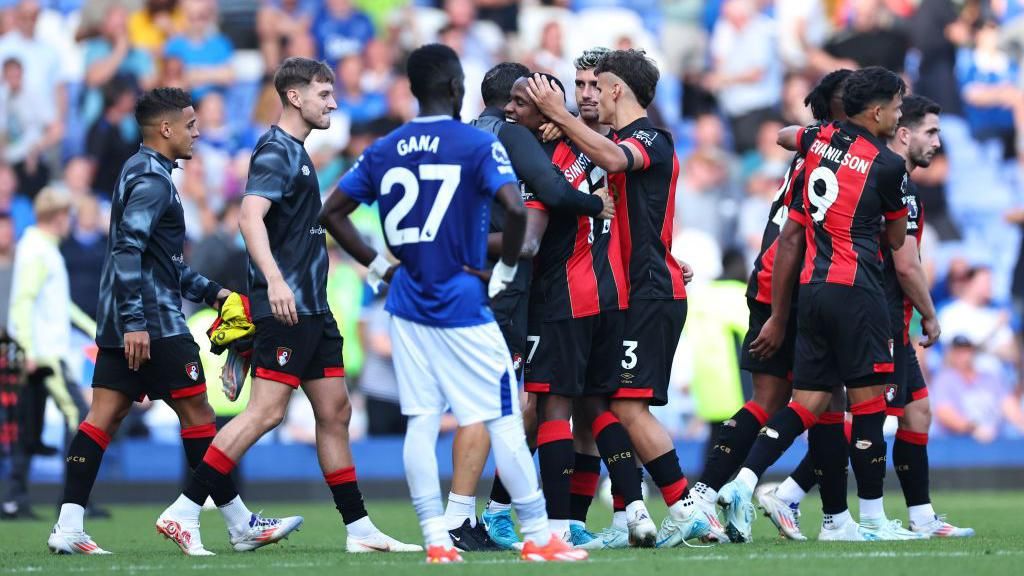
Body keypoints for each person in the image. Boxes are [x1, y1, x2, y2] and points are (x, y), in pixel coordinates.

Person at [320, 43, 587, 564]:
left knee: (422, 419)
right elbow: (516, 210)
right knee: (505, 415)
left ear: (416, 90)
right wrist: (507, 268)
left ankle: (437, 540)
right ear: (456, 88)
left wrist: (378, 266)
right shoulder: (475, 142)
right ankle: (536, 533)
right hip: (463, 301)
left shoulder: (385, 147)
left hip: (405, 303)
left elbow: (332, 212)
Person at [157, 59, 415, 555]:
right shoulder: (276, 150)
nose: (333, 102)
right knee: (266, 413)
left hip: (313, 310)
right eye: (324, 93)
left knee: (335, 411)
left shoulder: (296, 153)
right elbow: (249, 218)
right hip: (287, 307)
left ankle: (359, 529)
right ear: (295, 97)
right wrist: (274, 282)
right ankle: (184, 510)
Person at [49, 88, 298, 555]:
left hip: (120, 319)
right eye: (190, 124)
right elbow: (128, 252)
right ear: (166, 129)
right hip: (153, 323)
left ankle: (68, 524)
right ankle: (235, 523)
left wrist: (215, 293)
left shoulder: (138, 170)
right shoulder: (154, 182)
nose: (197, 131)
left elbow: (161, 261)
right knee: (201, 417)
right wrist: (137, 322)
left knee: (102, 418)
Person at [716, 66, 911, 542]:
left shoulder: (816, 141)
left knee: (806, 403)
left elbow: (789, 143)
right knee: (868, 408)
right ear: (878, 110)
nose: (900, 115)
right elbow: (896, 235)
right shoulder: (888, 165)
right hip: (858, 290)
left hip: (812, 291)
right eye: (898, 107)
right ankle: (872, 520)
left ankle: (743, 483)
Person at [526, 49, 710, 548]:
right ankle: (627, 516)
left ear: (614, 90)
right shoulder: (606, 141)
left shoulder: (649, 137)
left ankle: (687, 508)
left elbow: (611, 158)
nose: (588, 94)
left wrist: (560, 117)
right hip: (630, 290)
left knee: (626, 409)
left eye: (595, 85)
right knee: (601, 404)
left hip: (649, 290)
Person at [439, 60, 614, 553]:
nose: (521, 111)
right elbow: (550, 199)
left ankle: (480, 517)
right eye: (520, 101)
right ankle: (485, 520)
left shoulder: (462, 135)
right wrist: (591, 204)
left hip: (453, 286)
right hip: (499, 291)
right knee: (499, 408)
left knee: (495, 406)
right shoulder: (512, 135)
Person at [690, 69, 852, 541]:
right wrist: (782, 313)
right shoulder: (836, 155)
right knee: (825, 399)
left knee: (776, 401)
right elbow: (793, 236)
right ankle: (764, 491)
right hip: (793, 287)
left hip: (774, 282)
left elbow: (788, 137)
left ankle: (703, 497)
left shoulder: (810, 149)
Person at [508, 64, 657, 549]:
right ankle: (633, 508)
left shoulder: (546, 157)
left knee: (553, 408)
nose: (511, 114)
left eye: (520, 105)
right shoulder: (599, 144)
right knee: (600, 406)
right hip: (612, 295)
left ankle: (554, 527)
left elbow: (532, 231)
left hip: (564, 297)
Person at [5, 189, 93, 520]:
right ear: (58, 216)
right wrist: (27, 349)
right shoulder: (39, 251)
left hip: (38, 353)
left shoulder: (40, 249)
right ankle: (73, 499)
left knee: (30, 425)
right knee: (80, 418)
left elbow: (58, 303)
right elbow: (23, 302)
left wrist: (91, 329)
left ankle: (15, 499)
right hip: (44, 356)